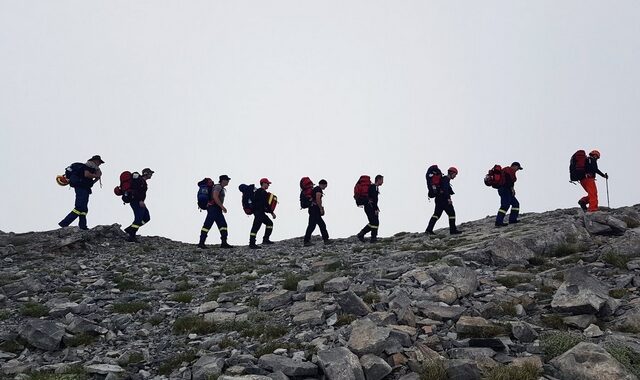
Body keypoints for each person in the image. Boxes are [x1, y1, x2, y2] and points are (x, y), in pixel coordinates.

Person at [58, 155, 104, 230]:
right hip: (81, 187)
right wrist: (96, 175)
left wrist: (97, 177)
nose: (100, 164)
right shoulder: (88, 165)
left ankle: (83, 226)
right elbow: (87, 174)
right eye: (99, 162)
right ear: (95, 160)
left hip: (85, 188)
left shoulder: (93, 168)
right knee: (79, 207)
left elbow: (91, 182)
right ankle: (64, 223)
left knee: (84, 209)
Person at [198, 175, 233, 249]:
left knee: (223, 225)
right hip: (213, 208)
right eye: (227, 180)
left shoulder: (220, 188)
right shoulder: (218, 187)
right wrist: (222, 206)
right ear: (223, 180)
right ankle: (201, 243)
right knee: (207, 225)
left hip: (217, 209)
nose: (228, 181)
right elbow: (215, 196)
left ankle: (224, 243)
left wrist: (220, 208)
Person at [426, 167, 461, 235]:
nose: (455, 176)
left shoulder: (443, 179)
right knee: (452, 213)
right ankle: (453, 230)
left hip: (438, 199)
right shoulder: (445, 179)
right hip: (444, 199)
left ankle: (429, 230)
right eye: (455, 174)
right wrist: (448, 198)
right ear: (451, 173)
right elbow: (445, 189)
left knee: (436, 214)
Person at [124, 168, 154, 242]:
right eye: (150, 173)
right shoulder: (140, 180)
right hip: (136, 201)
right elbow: (136, 191)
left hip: (139, 201)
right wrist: (140, 200)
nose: (151, 175)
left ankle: (130, 229)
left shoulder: (142, 181)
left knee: (146, 217)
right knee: (138, 219)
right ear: (146, 173)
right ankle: (132, 235)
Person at [249, 178, 276, 249]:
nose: (268, 185)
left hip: (259, 212)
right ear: (263, 183)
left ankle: (265, 239)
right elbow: (266, 203)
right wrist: (272, 213)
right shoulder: (263, 192)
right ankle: (252, 243)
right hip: (259, 212)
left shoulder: (257, 191)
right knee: (256, 227)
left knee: (269, 223)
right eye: (267, 184)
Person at [303, 179, 331, 246]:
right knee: (319, 225)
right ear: (323, 184)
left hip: (312, 209)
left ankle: (307, 240)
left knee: (313, 225)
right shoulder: (318, 189)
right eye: (325, 186)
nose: (325, 188)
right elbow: (318, 199)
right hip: (315, 210)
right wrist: (321, 208)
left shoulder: (315, 189)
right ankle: (325, 240)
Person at [357, 174, 383, 243]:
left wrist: (376, 208)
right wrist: (375, 209)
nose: (382, 182)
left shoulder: (374, 187)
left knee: (373, 222)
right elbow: (374, 199)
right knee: (375, 222)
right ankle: (373, 238)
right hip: (370, 207)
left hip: (369, 206)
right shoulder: (374, 187)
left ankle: (363, 234)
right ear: (378, 180)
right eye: (382, 180)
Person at [495, 162, 522, 227]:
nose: (518, 169)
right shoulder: (508, 170)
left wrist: (512, 189)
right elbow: (509, 181)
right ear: (514, 166)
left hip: (506, 190)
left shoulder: (508, 170)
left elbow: (510, 181)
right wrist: (512, 189)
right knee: (505, 205)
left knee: (516, 204)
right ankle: (498, 222)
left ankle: (512, 219)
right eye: (518, 168)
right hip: (504, 190)